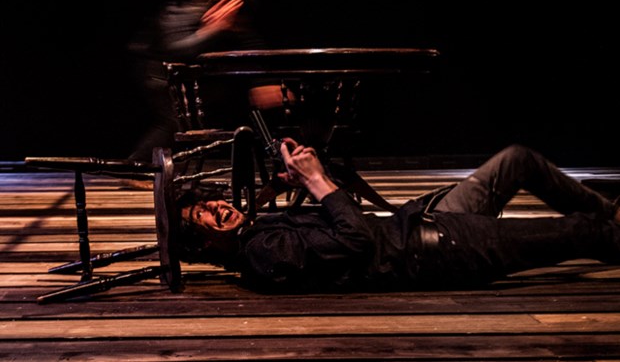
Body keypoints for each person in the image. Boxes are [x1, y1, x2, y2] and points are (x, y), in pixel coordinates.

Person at [176, 139, 620, 293]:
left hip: (425, 222)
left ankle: (612, 213)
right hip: (440, 250)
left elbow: (335, 223)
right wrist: (317, 181)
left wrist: (297, 181)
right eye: (202, 215)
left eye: (208, 202)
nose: (216, 206)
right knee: (584, 232)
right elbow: (355, 240)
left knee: (516, 160)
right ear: (205, 243)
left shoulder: (258, 233)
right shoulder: (263, 252)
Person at [125, 0, 292, 189]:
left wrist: (262, 83)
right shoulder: (180, 14)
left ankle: (160, 167)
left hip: (188, 81)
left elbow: (250, 45)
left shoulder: (230, 22)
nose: (237, 24)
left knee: (187, 121)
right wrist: (213, 29)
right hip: (158, 75)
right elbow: (176, 50)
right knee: (174, 121)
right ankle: (136, 168)